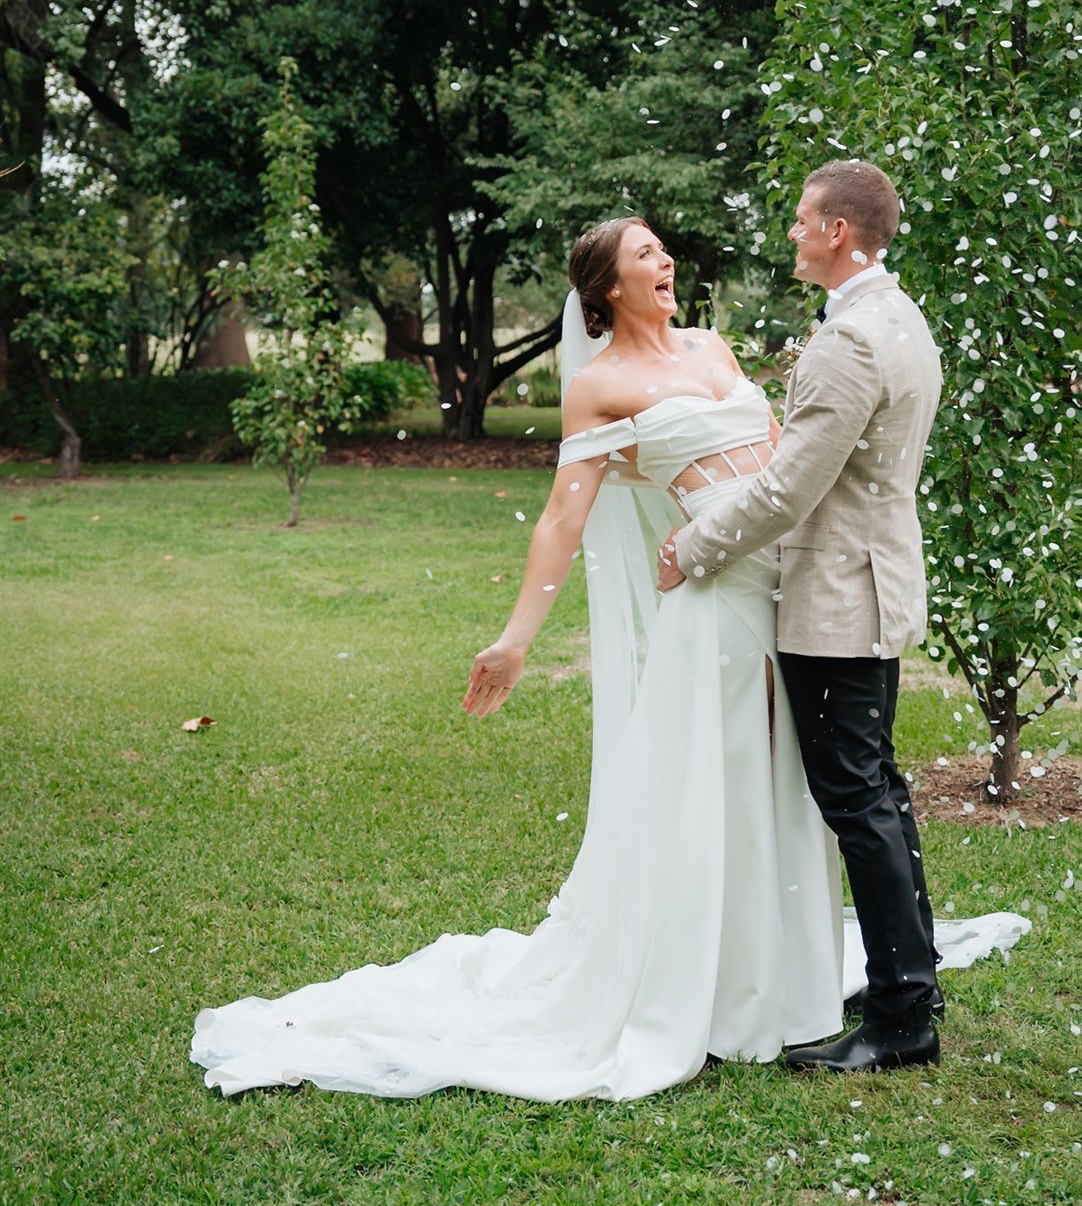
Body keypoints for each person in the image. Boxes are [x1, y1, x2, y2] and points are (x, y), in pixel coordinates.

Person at [191, 208, 1026, 1103]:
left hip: (789, 593)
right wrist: (514, 641)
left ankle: (787, 977)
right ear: (607, 288)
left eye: (663, 248)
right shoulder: (601, 387)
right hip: (714, 611)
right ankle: (713, 988)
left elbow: (784, 465)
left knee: (791, 787)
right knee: (724, 783)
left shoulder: (715, 349)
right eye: (644, 254)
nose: (666, 260)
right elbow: (564, 516)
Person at [659, 160, 961, 1073]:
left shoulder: (849, 341)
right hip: (874, 580)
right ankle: (911, 978)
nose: (791, 233)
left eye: (801, 222)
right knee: (879, 789)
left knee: (857, 799)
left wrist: (696, 544)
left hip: (836, 596)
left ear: (839, 232)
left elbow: (791, 489)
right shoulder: (897, 316)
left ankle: (904, 1021)